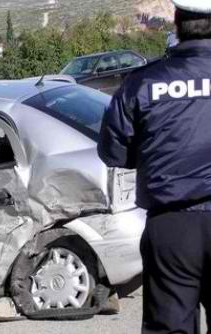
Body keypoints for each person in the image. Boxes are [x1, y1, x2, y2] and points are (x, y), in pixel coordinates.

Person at [98, 1, 211, 333]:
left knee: (170, 325)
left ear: (176, 25)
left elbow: (114, 152)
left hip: (173, 228)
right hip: (175, 221)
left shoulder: (144, 82)